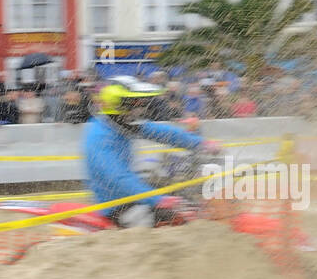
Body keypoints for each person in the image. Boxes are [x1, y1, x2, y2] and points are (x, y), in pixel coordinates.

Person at [82, 76, 217, 228]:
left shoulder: (122, 122)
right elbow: (119, 179)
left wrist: (200, 143)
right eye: (135, 104)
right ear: (120, 106)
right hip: (115, 205)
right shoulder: (99, 138)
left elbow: (163, 133)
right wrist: (157, 200)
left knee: (183, 198)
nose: (139, 108)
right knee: (172, 219)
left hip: (131, 193)